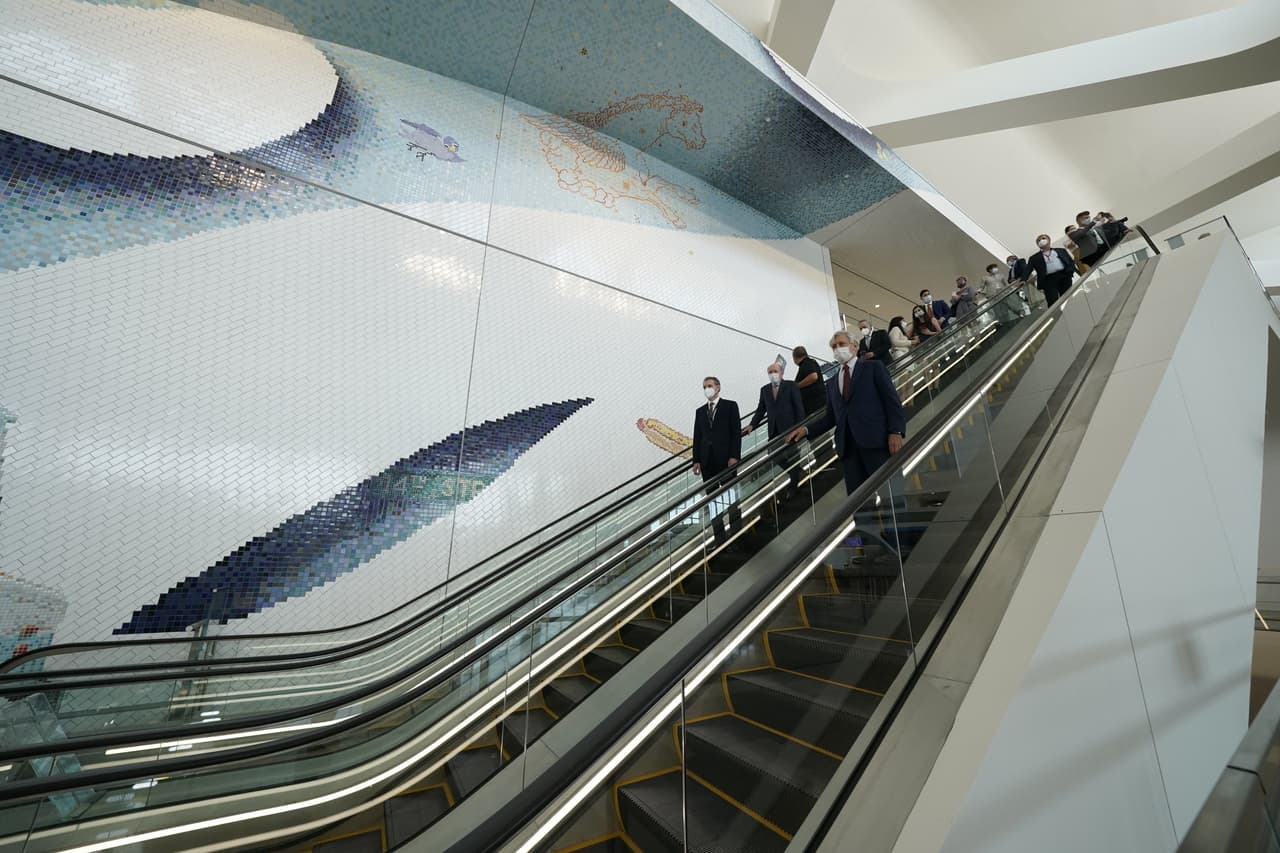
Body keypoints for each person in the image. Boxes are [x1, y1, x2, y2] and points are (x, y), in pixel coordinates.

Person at [786, 330, 906, 495]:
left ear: (855, 346)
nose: (838, 349)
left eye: (842, 344)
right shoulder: (832, 383)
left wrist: (896, 431)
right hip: (848, 450)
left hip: (877, 443)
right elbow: (830, 418)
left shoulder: (873, 367)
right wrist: (806, 430)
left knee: (892, 495)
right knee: (858, 502)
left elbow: (891, 401)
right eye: (834, 346)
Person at [692, 377, 743, 544]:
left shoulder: (730, 406)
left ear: (718, 387)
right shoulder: (700, 411)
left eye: (709, 386)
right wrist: (696, 460)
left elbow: (736, 433)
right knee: (713, 502)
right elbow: (697, 437)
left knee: (731, 498)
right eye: (704, 387)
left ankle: (737, 534)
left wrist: (734, 456)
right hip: (707, 463)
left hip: (727, 460)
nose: (707, 389)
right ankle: (720, 539)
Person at [744, 361, 805, 493]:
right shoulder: (765, 390)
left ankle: (794, 485)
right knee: (773, 455)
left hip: (791, 428)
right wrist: (752, 425)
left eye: (775, 371)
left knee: (793, 455)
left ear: (781, 373)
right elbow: (761, 410)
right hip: (774, 430)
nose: (773, 374)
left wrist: (799, 427)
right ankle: (796, 473)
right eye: (770, 372)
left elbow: (799, 408)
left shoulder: (791, 385)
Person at [1026, 234, 1075, 306]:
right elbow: (1028, 269)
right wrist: (1023, 280)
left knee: (1069, 297)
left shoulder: (1060, 250)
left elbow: (1070, 261)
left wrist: (1070, 272)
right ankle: (1057, 313)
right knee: (1052, 301)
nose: (1041, 241)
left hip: (1064, 276)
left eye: (1043, 238)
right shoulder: (1034, 258)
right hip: (1048, 280)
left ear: (1049, 240)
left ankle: (1071, 309)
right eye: (1038, 240)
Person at [792, 346, 827, 419]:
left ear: (794, 358)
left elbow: (813, 376)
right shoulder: (809, 363)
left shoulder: (807, 363)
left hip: (816, 405)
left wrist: (797, 386)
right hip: (816, 404)